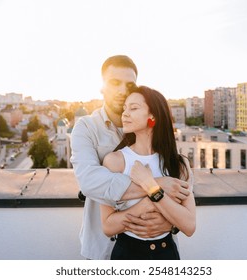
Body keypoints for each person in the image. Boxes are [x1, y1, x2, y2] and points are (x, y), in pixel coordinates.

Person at [70, 55, 191, 259]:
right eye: (114, 83)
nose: (122, 90)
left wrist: (172, 223)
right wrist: (156, 186)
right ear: (101, 87)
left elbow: (176, 180)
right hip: (103, 248)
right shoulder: (86, 128)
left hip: (158, 247)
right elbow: (89, 181)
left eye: (129, 84)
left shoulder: (154, 131)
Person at [100, 86, 196, 260]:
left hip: (166, 254)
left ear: (153, 116)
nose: (125, 114)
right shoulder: (114, 161)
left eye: (134, 108)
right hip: (126, 253)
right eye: (125, 108)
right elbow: (108, 226)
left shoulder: (179, 164)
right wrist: (150, 202)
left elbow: (189, 226)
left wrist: (150, 185)